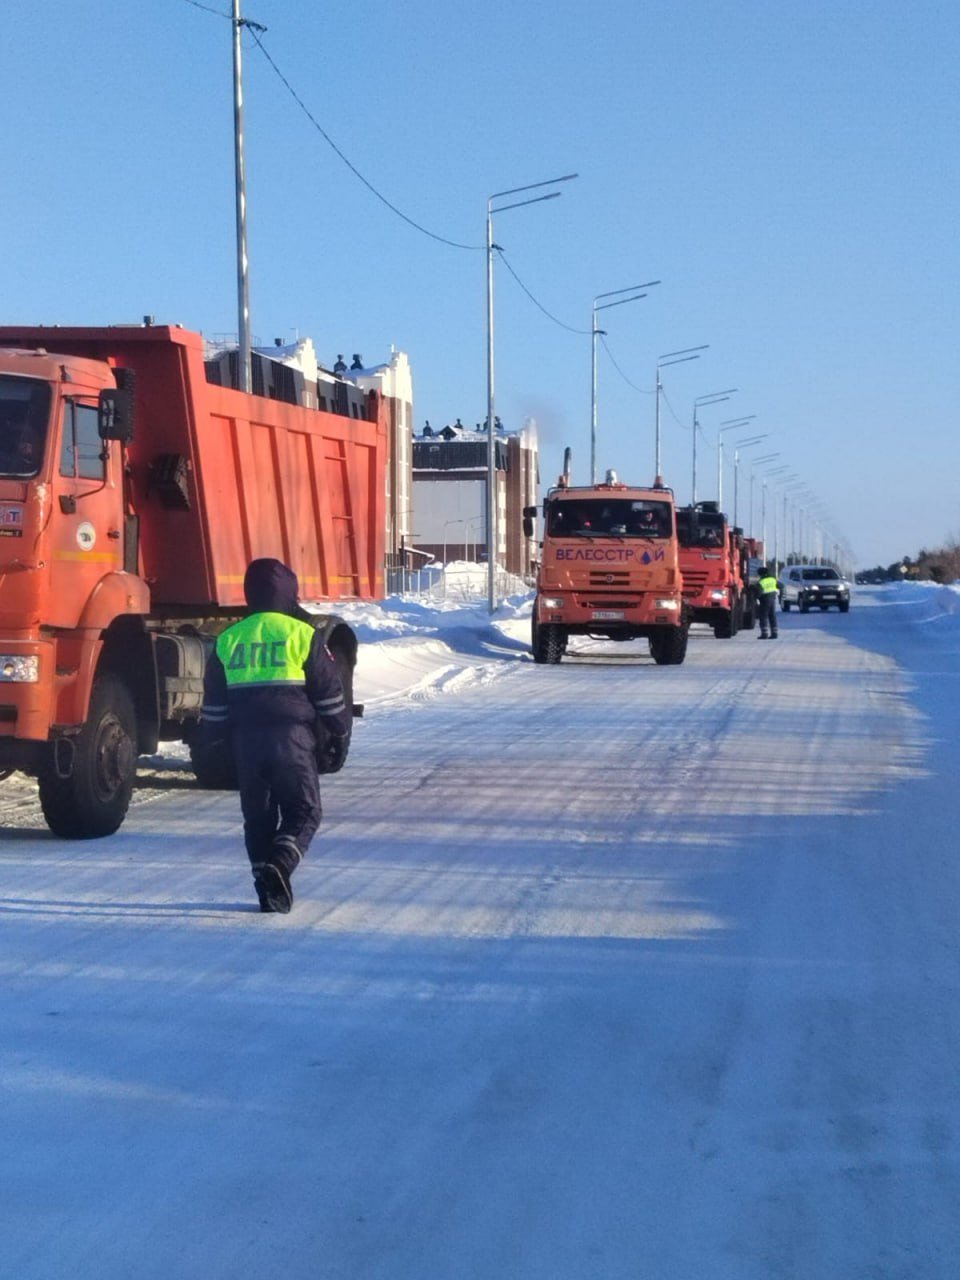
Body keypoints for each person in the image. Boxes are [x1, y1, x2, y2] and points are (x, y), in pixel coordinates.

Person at [199, 558, 352, 913]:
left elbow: (215, 706)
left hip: (247, 744)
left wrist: (211, 743)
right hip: (293, 740)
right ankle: (279, 867)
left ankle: (267, 890)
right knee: (304, 811)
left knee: (259, 817)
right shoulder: (302, 635)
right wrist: (340, 732)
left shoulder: (229, 639)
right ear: (289, 592)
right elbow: (329, 694)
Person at [755, 564, 781, 639]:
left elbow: (759, 592)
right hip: (772, 600)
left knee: (763, 617)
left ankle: (764, 634)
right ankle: (774, 633)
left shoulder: (761, 582)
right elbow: (781, 586)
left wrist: (756, 599)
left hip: (764, 600)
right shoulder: (773, 579)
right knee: (772, 616)